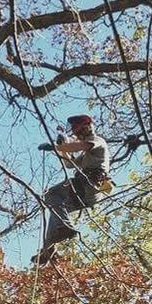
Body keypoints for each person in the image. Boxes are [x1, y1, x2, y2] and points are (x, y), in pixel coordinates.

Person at [32, 114, 112, 266]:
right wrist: (62, 151)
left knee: (51, 194)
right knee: (55, 211)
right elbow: (70, 164)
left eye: (76, 132)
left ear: (85, 127)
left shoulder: (97, 141)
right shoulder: (88, 154)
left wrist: (57, 147)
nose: (75, 135)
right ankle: (48, 249)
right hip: (88, 195)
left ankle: (66, 227)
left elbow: (82, 146)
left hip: (88, 183)